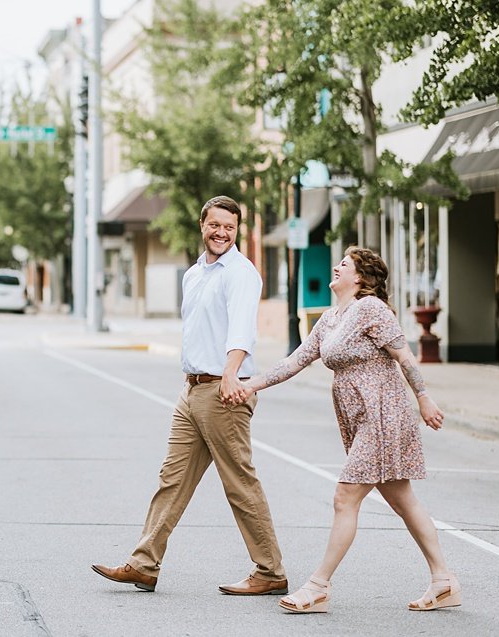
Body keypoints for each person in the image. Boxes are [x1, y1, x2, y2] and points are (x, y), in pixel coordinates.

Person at [234, 246, 460, 613]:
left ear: (361, 278)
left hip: (383, 415)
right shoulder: (330, 318)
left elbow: (404, 355)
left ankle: (318, 586)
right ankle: (444, 580)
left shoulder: (371, 309)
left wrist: (424, 398)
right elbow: (295, 361)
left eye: (345, 264)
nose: (336, 268)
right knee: (403, 499)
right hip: (359, 419)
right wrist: (249, 385)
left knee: (345, 496)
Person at [91, 196, 288, 596]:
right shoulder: (195, 273)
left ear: (237, 231)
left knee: (239, 483)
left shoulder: (242, 273)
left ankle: (269, 570)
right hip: (193, 389)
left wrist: (231, 374)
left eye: (229, 228)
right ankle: (144, 563)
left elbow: (241, 332)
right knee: (172, 479)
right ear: (202, 225)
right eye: (215, 225)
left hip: (223, 390)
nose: (221, 233)